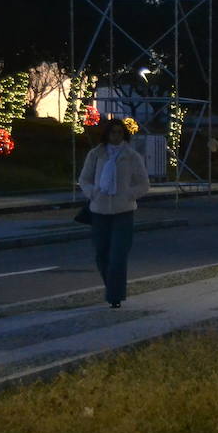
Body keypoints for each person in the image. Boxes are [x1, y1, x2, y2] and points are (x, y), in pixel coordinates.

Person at [78, 119, 151, 308]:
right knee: (102, 254)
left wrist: (129, 194)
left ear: (124, 135)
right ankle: (113, 287)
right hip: (99, 210)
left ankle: (115, 296)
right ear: (107, 134)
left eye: (119, 132)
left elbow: (144, 184)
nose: (116, 136)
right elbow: (84, 179)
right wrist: (93, 192)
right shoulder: (96, 154)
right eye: (113, 132)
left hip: (123, 211)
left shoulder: (132, 156)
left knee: (118, 255)